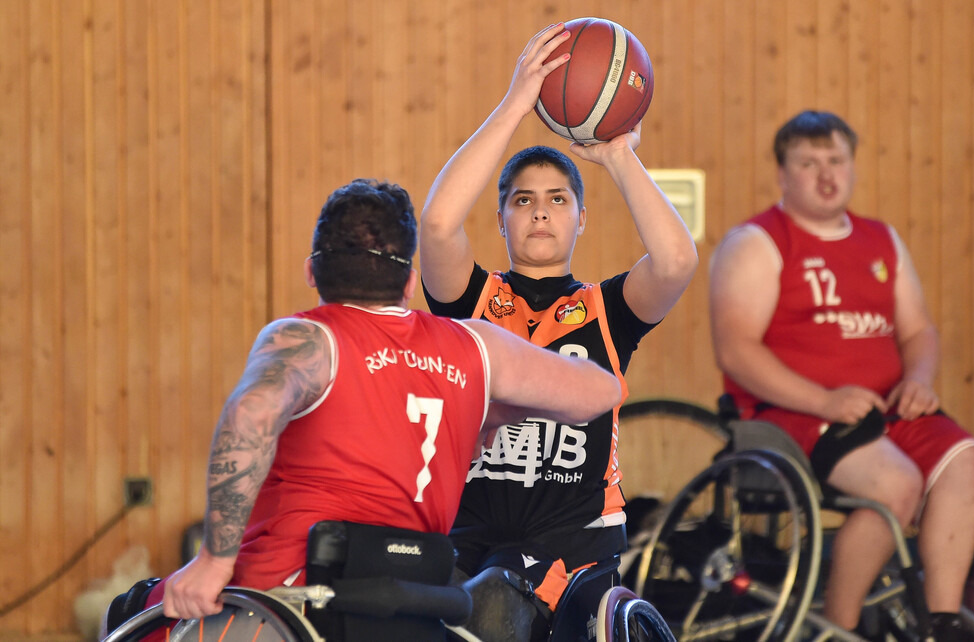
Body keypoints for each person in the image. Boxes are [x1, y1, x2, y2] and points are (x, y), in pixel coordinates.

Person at [102, 179, 623, 635]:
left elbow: (250, 416)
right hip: (413, 601)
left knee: (127, 609)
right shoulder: (477, 348)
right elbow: (602, 392)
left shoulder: (306, 339)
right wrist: (494, 409)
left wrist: (213, 561)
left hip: (286, 599)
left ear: (312, 272)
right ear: (410, 282)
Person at [418, 23, 698, 639]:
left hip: (575, 545)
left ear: (580, 218)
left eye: (556, 199)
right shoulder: (473, 300)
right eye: (521, 200)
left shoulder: (606, 310)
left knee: (494, 606)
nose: (540, 210)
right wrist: (519, 101)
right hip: (471, 531)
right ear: (500, 219)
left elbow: (676, 262)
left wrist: (620, 157)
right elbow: (437, 226)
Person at [709, 110, 974, 641]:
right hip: (793, 414)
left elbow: (919, 332)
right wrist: (824, 401)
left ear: (853, 167)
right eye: (809, 163)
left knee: (964, 456)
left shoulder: (882, 240)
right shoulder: (758, 242)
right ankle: (842, 629)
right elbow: (736, 350)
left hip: (886, 408)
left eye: (836, 160)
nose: (826, 174)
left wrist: (921, 379)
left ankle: (942, 625)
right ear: (782, 176)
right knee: (897, 484)